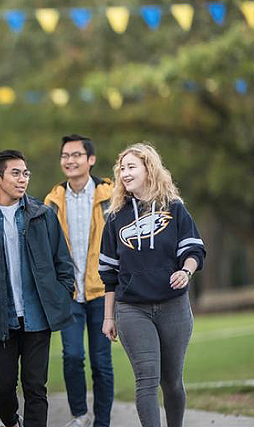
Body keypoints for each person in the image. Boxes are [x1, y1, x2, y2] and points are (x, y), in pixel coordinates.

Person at [0, 150, 75, 427]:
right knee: (2, 389)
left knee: (35, 386)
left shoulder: (43, 215)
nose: (23, 179)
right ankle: (12, 422)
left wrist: (62, 295)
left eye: (26, 173)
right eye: (15, 173)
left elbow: (63, 262)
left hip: (38, 316)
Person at [99, 143, 205, 427]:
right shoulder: (115, 218)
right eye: (121, 168)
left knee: (171, 381)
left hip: (173, 306)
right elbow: (109, 273)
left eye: (131, 166)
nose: (124, 173)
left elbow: (194, 250)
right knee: (146, 378)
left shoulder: (175, 209)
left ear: (149, 169)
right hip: (132, 308)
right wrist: (109, 317)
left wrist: (186, 271)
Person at [44, 134, 114, 427]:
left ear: (91, 160)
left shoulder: (111, 195)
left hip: (102, 292)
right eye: (65, 156)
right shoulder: (52, 201)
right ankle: (79, 415)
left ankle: (102, 422)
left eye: (76, 155)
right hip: (69, 293)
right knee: (72, 356)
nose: (70, 161)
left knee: (101, 362)